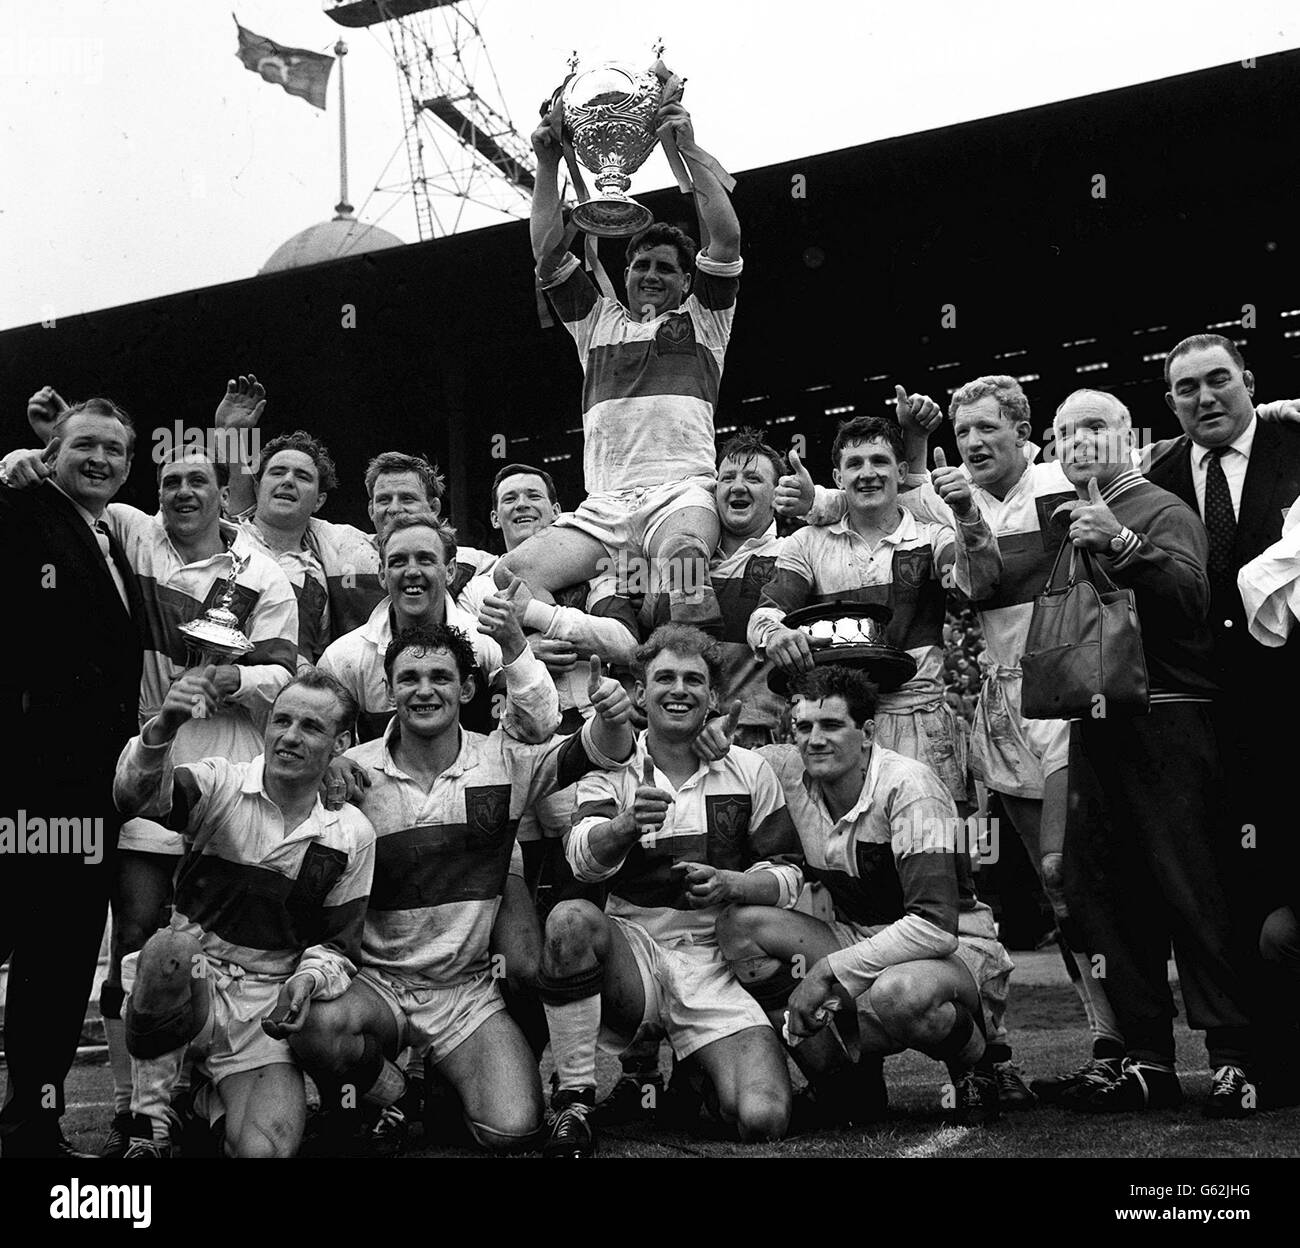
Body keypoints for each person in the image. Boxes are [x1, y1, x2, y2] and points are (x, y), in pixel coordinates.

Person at [782, 377, 1125, 1106]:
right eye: (962, 430)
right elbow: (875, 494)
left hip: (1071, 700)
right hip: (999, 713)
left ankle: (1133, 1047)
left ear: (1024, 429)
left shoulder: (1065, 478)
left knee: (1075, 876)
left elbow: (1145, 485)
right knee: (1049, 890)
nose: (972, 442)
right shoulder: (940, 499)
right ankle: (1092, 1046)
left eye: (986, 428)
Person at [288, 624, 635, 1154]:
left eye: (439, 677)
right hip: (380, 984)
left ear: (466, 690)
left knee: (512, 1129)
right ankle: (393, 1094)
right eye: (408, 678)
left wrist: (612, 718)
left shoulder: (502, 760)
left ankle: (437, 1088)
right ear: (388, 689)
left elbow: (593, 752)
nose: (424, 690)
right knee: (316, 1026)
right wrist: (324, 764)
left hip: (465, 990)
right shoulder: (351, 772)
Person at [1052, 388, 1256, 1116]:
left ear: (1128, 438)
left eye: (1096, 427)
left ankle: (1234, 1057)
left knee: (1193, 888)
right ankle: (1147, 1059)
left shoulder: (1164, 509)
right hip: (1098, 725)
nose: (1080, 440)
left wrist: (1125, 545)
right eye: (1067, 430)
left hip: (1170, 720)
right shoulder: (1067, 519)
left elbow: (1194, 598)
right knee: (1102, 890)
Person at [538, 625, 803, 1157]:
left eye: (693, 680)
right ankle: (574, 1100)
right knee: (569, 922)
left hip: (714, 962)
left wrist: (737, 883)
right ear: (640, 692)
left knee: (763, 1118)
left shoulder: (748, 769)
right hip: (634, 956)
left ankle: (695, 1078)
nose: (678, 689)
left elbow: (790, 873)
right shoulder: (611, 769)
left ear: (714, 698)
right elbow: (583, 862)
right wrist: (625, 826)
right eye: (664, 678)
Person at [716, 665, 1011, 1126]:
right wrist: (708, 741)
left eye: (832, 725)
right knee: (740, 927)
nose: (815, 739)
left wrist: (827, 971)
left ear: (868, 732)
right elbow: (727, 754)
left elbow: (935, 926)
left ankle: (976, 1062)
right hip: (859, 935)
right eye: (805, 727)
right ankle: (846, 1085)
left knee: (900, 993)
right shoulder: (787, 767)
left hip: (953, 949)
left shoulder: (910, 786)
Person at [498, 100, 743, 634]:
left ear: (685, 280)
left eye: (666, 268)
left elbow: (724, 240)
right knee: (511, 575)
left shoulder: (705, 321)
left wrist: (688, 149)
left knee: (683, 559)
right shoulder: (596, 322)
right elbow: (547, 254)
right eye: (641, 265)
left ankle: (691, 683)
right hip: (604, 508)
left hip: (679, 493)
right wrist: (546, 162)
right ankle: (584, 643)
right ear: (625, 272)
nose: (652, 275)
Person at [112, 667, 376, 1157]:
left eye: (311, 727)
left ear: (341, 742)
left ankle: (200, 1104)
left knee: (264, 1151)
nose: (289, 737)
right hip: (192, 983)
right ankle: (147, 1128)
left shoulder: (352, 833)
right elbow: (133, 798)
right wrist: (163, 728)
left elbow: (339, 947)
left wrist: (309, 981)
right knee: (170, 947)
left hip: (264, 1007)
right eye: (281, 721)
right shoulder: (220, 782)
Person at [1147, 334, 1300, 1105]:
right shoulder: (1158, 477)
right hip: (1204, 725)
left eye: (1218, 381)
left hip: (1292, 712)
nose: (1204, 398)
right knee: (1225, 891)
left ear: (1249, 381)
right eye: (1185, 389)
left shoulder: (1296, 444)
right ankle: (1259, 1061)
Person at [0, 398, 145, 1158]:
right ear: (49, 453)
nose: (100, 460)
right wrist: (11, 474)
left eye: (114, 450)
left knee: (55, 964)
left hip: (88, 791)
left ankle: (30, 1127)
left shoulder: (112, 536)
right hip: (26, 785)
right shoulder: (25, 512)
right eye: (83, 445)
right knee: (41, 953)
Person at [749, 414, 1001, 808]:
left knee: (932, 848)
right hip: (838, 727)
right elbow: (767, 611)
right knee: (850, 852)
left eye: (879, 462)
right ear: (837, 477)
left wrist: (968, 514)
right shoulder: (805, 543)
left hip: (918, 722)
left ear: (901, 472)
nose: (868, 474)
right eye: (855, 464)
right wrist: (775, 634)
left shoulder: (932, 536)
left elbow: (977, 584)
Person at [213, 372, 494, 635]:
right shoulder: (338, 543)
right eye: (384, 500)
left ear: (433, 508)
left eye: (407, 498)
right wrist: (232, 435)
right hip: (354, 675)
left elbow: (518, 568)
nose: (394, 508)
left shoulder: (468, 560)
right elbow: (262, 512)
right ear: (371, 510)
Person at [318, 510, 558, 745]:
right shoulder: (343, 658)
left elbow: (537, 729)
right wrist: (333, 761)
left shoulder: (486, 641)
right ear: (382, 574)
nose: (412, 571)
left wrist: (515, 644)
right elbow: (317, 733)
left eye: (425, 559)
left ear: (451, 571)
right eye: (398, 561)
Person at [232, 429, 339, 665]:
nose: (288, 481)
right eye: (277, 472)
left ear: (319, 501)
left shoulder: (319, 579)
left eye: (302, 476)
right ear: (257, 487)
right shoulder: (225, 541)